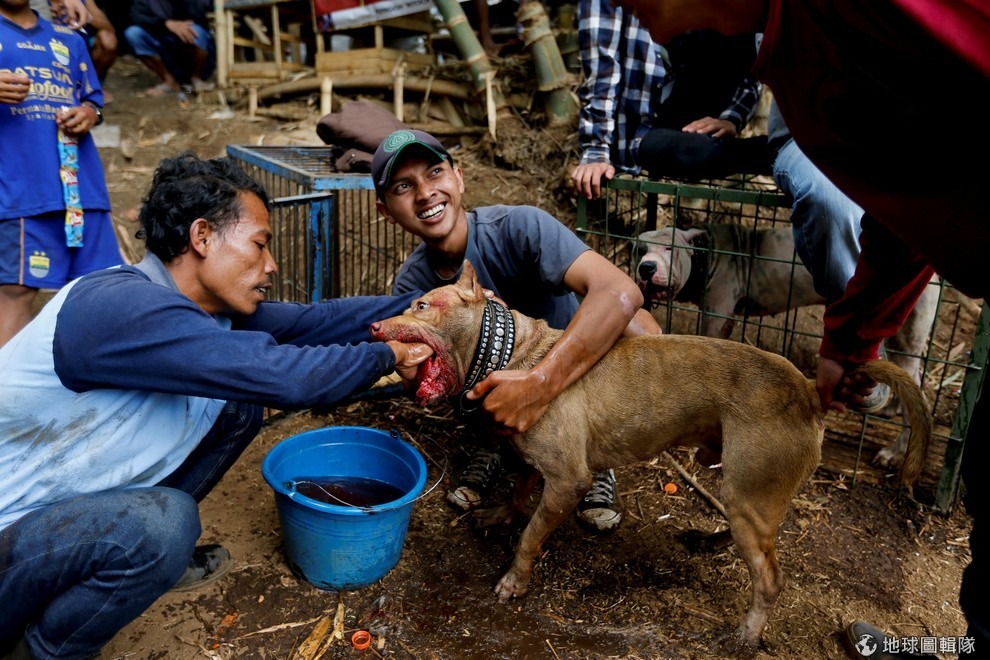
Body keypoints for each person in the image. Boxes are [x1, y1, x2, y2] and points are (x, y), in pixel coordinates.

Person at [620, 0, 989, 657]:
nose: (620, 7)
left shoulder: (851, 17)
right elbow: (905, 188)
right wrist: (848, 342)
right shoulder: (794, 54)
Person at [0, 153, 433, 658]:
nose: (271, 264)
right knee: (164, 524)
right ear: (202, 237)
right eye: (259, 244)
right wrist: (389, 354)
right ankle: (43, 650)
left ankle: (130, 560)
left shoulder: (199, 311)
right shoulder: (115, 307)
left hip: (51, 521)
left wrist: (429, 307)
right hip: (8, 536)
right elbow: (282, 376)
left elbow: (318, 322)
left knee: (235, 410)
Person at [373, 128, 662, 532]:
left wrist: (540, 383)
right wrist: (412, 373)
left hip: (575, 380)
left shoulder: (517, 226)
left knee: (635, 323)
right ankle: (498, 448)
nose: (424, 193)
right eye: (404, 186)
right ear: (386, 210)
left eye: (434, 173)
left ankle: (597, 456)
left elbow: (620, 292)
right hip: (493, 404)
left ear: (459, 178)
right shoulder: (412, 286)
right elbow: (426, 380)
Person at [0, 0, 122, 348]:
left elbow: (94, 101)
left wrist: (89, 114)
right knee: (16, 292)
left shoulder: (67, 37)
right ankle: (8, 399)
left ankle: (91, 398)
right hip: (20, 190)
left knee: (102, 291)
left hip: (83, 191)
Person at [571, 0, 767, 201]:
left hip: (697, 108)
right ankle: (771, 152)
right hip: (643, 128)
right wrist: (596, 150)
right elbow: (602, 73)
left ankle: (776, 151)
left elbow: (752, 70)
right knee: (700, 152)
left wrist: (731, 118)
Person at [124, 0, 215, 104]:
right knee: (133, 33)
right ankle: (170, 81)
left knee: (196, 31)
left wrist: (178, 23)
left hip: (194, 55)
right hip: (166, 51)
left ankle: (196, 78)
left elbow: (198, 15)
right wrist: (166, 24)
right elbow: (136, 16)